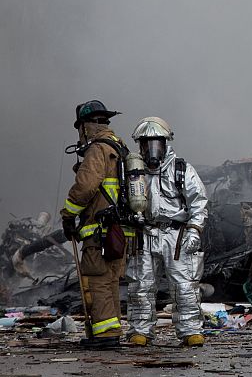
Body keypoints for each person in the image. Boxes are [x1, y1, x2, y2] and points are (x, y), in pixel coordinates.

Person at [126, 117, 208, 347]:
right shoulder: (132, 172)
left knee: (184, 285)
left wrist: (194, 230)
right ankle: (140, 331)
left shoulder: (181, 169)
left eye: (156, 142)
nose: (152, 149)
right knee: (140, 285)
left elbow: (199, 203)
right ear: (140, 146)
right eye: (147, 143)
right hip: (143, 234)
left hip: (176, 235)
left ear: (165, 143)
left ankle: (190, 330)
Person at [61, 100, 129, 348]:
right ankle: (111, 329)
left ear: (85, 127)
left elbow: (86, 187)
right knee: (110, 281)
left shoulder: (97, 150)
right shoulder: (120, 148)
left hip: (99, 232)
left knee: (97, 280)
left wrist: (68, 215)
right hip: (119, 232)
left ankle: (104, 335)